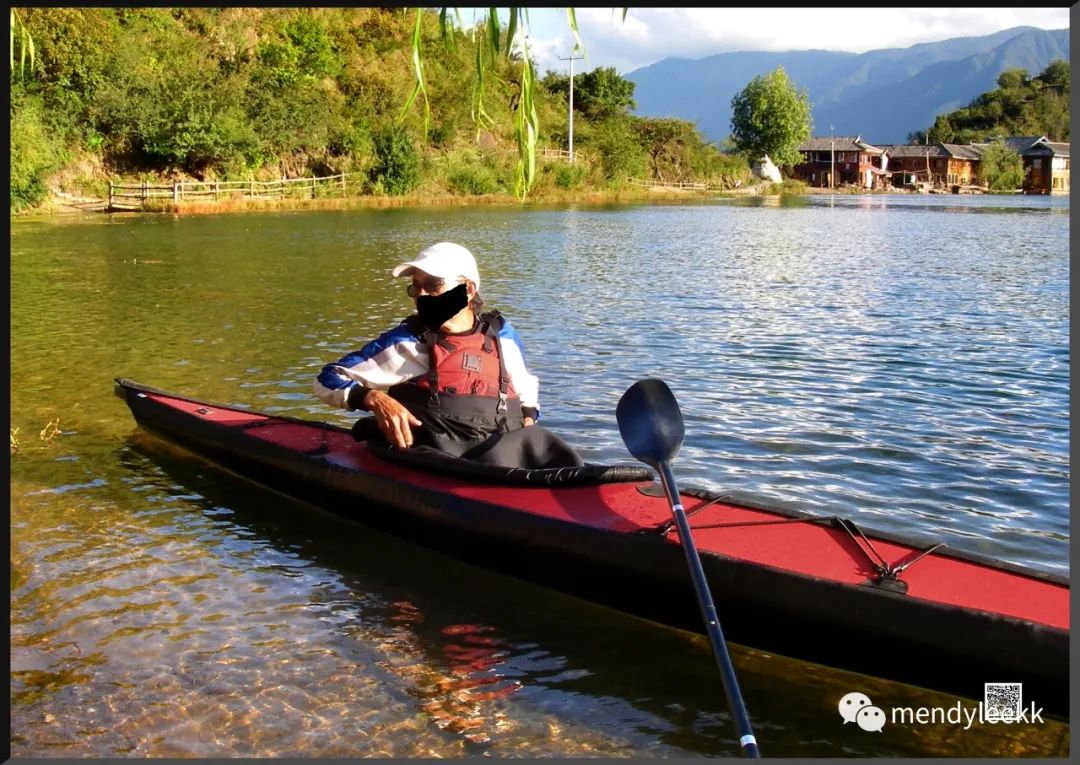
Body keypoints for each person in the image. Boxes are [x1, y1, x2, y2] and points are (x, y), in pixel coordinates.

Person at [314, 241, 583, 469]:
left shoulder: (502, 335)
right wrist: (373, 398)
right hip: (439, 456)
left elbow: (526, 391)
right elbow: (328, 378)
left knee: (544, 442)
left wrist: (527, 419)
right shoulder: (409, 341)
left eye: (432, 284)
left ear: (467, 290)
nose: (420, 295)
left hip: (503, 458)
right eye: (414, 287)